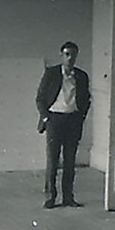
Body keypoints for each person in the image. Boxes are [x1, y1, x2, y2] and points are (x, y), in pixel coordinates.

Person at [36, 41, 91, 209]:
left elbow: (86, 99)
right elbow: (40, 98)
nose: (70, 58)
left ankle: (68, 197)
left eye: (73, 55)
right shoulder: (51, 74)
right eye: (67, 54)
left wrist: (80, 117)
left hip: (72, 120)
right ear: (61, 56)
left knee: (70, 161)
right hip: (54, 120)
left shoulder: (81, 76)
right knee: (53, 160)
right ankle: (50, 197)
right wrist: (46, 118)